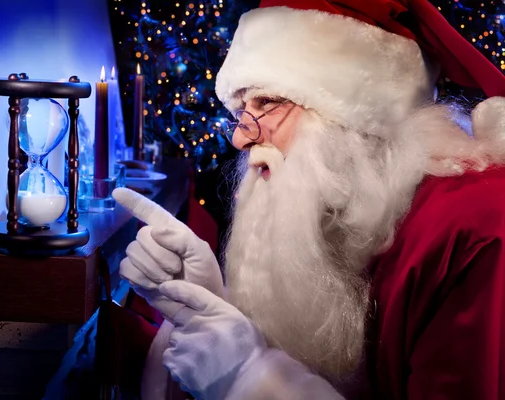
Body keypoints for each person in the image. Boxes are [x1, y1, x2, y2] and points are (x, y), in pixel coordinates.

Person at [113, 0, 505, 398]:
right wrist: (210, 305)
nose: (239, 137)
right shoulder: (352, 202)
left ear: (350, 111)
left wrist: (249, 379)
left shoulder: (476, 229)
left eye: (266, 103)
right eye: (240, 110)